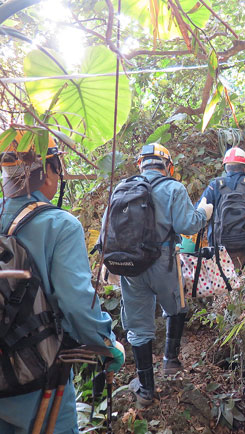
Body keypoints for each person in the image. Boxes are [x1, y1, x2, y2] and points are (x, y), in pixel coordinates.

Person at [0, 134, 125, 433]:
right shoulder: (60, 226)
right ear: (46, 170)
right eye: (57, 168)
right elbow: (77, 304)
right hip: (39, 379)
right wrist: (106, 341)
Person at [119, 143, 213, 408]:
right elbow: (187, 226)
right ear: (167, 166)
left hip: (129, 265)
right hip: (162, 260)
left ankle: (145, 390)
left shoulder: (123, 188)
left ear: (140, 165)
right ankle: (170, 361)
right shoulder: (173, 188)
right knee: (176, 305)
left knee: (138, 326)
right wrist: (203, 214)